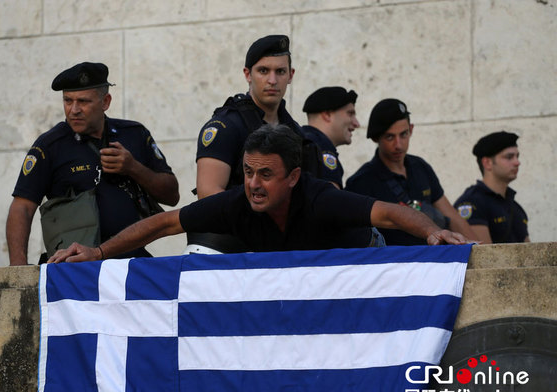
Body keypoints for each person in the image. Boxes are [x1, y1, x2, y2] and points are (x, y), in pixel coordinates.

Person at [48, 124, 470, 264]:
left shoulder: (322, 197)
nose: (253, 183)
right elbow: (163, 223)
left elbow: (391, 215)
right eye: (248, 172)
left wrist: (433, 231)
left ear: (294, 177)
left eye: (266, 174)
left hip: (356, 260)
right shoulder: (238, 202)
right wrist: (99, 253)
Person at [6, 62, 179, 265]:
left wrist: (133, 168)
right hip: (73, 266)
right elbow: (22, 208)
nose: (74, 110)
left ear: (105, 102)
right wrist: (18, 270)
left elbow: (171, 195)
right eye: (67, 101)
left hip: (130, 263)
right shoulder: (50, 145)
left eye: (83, 101)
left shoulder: (134, 135)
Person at [187, 34, 304, 254]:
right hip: (225, 250)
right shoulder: (225, 126)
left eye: (280, 71)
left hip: (277, 250)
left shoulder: (295, 132)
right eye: (263, 71)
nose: (272, 80)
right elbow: (209, 194)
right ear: (247, 74)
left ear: (291, 75)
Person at [345, 98, 477, 246]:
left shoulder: (420, 167)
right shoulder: (361, 182)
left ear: (411, 129)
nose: (398, 145)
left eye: (404, 134)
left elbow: (451, 216)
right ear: (376, 138)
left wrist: (482, 250)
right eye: (390, 137)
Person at [454, 131, 529, 243]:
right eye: (509, 157)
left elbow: (529, 251)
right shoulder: (471, 203)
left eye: (517, 156)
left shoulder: (515, 207)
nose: (517, 162)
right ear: (487, 163)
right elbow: (485, 256)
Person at [301, 86, 360, 188]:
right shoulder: (322, 148)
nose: (357, 123)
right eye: (350, 114)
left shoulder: (299, 139)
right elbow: (331, 200)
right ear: (327, 114)